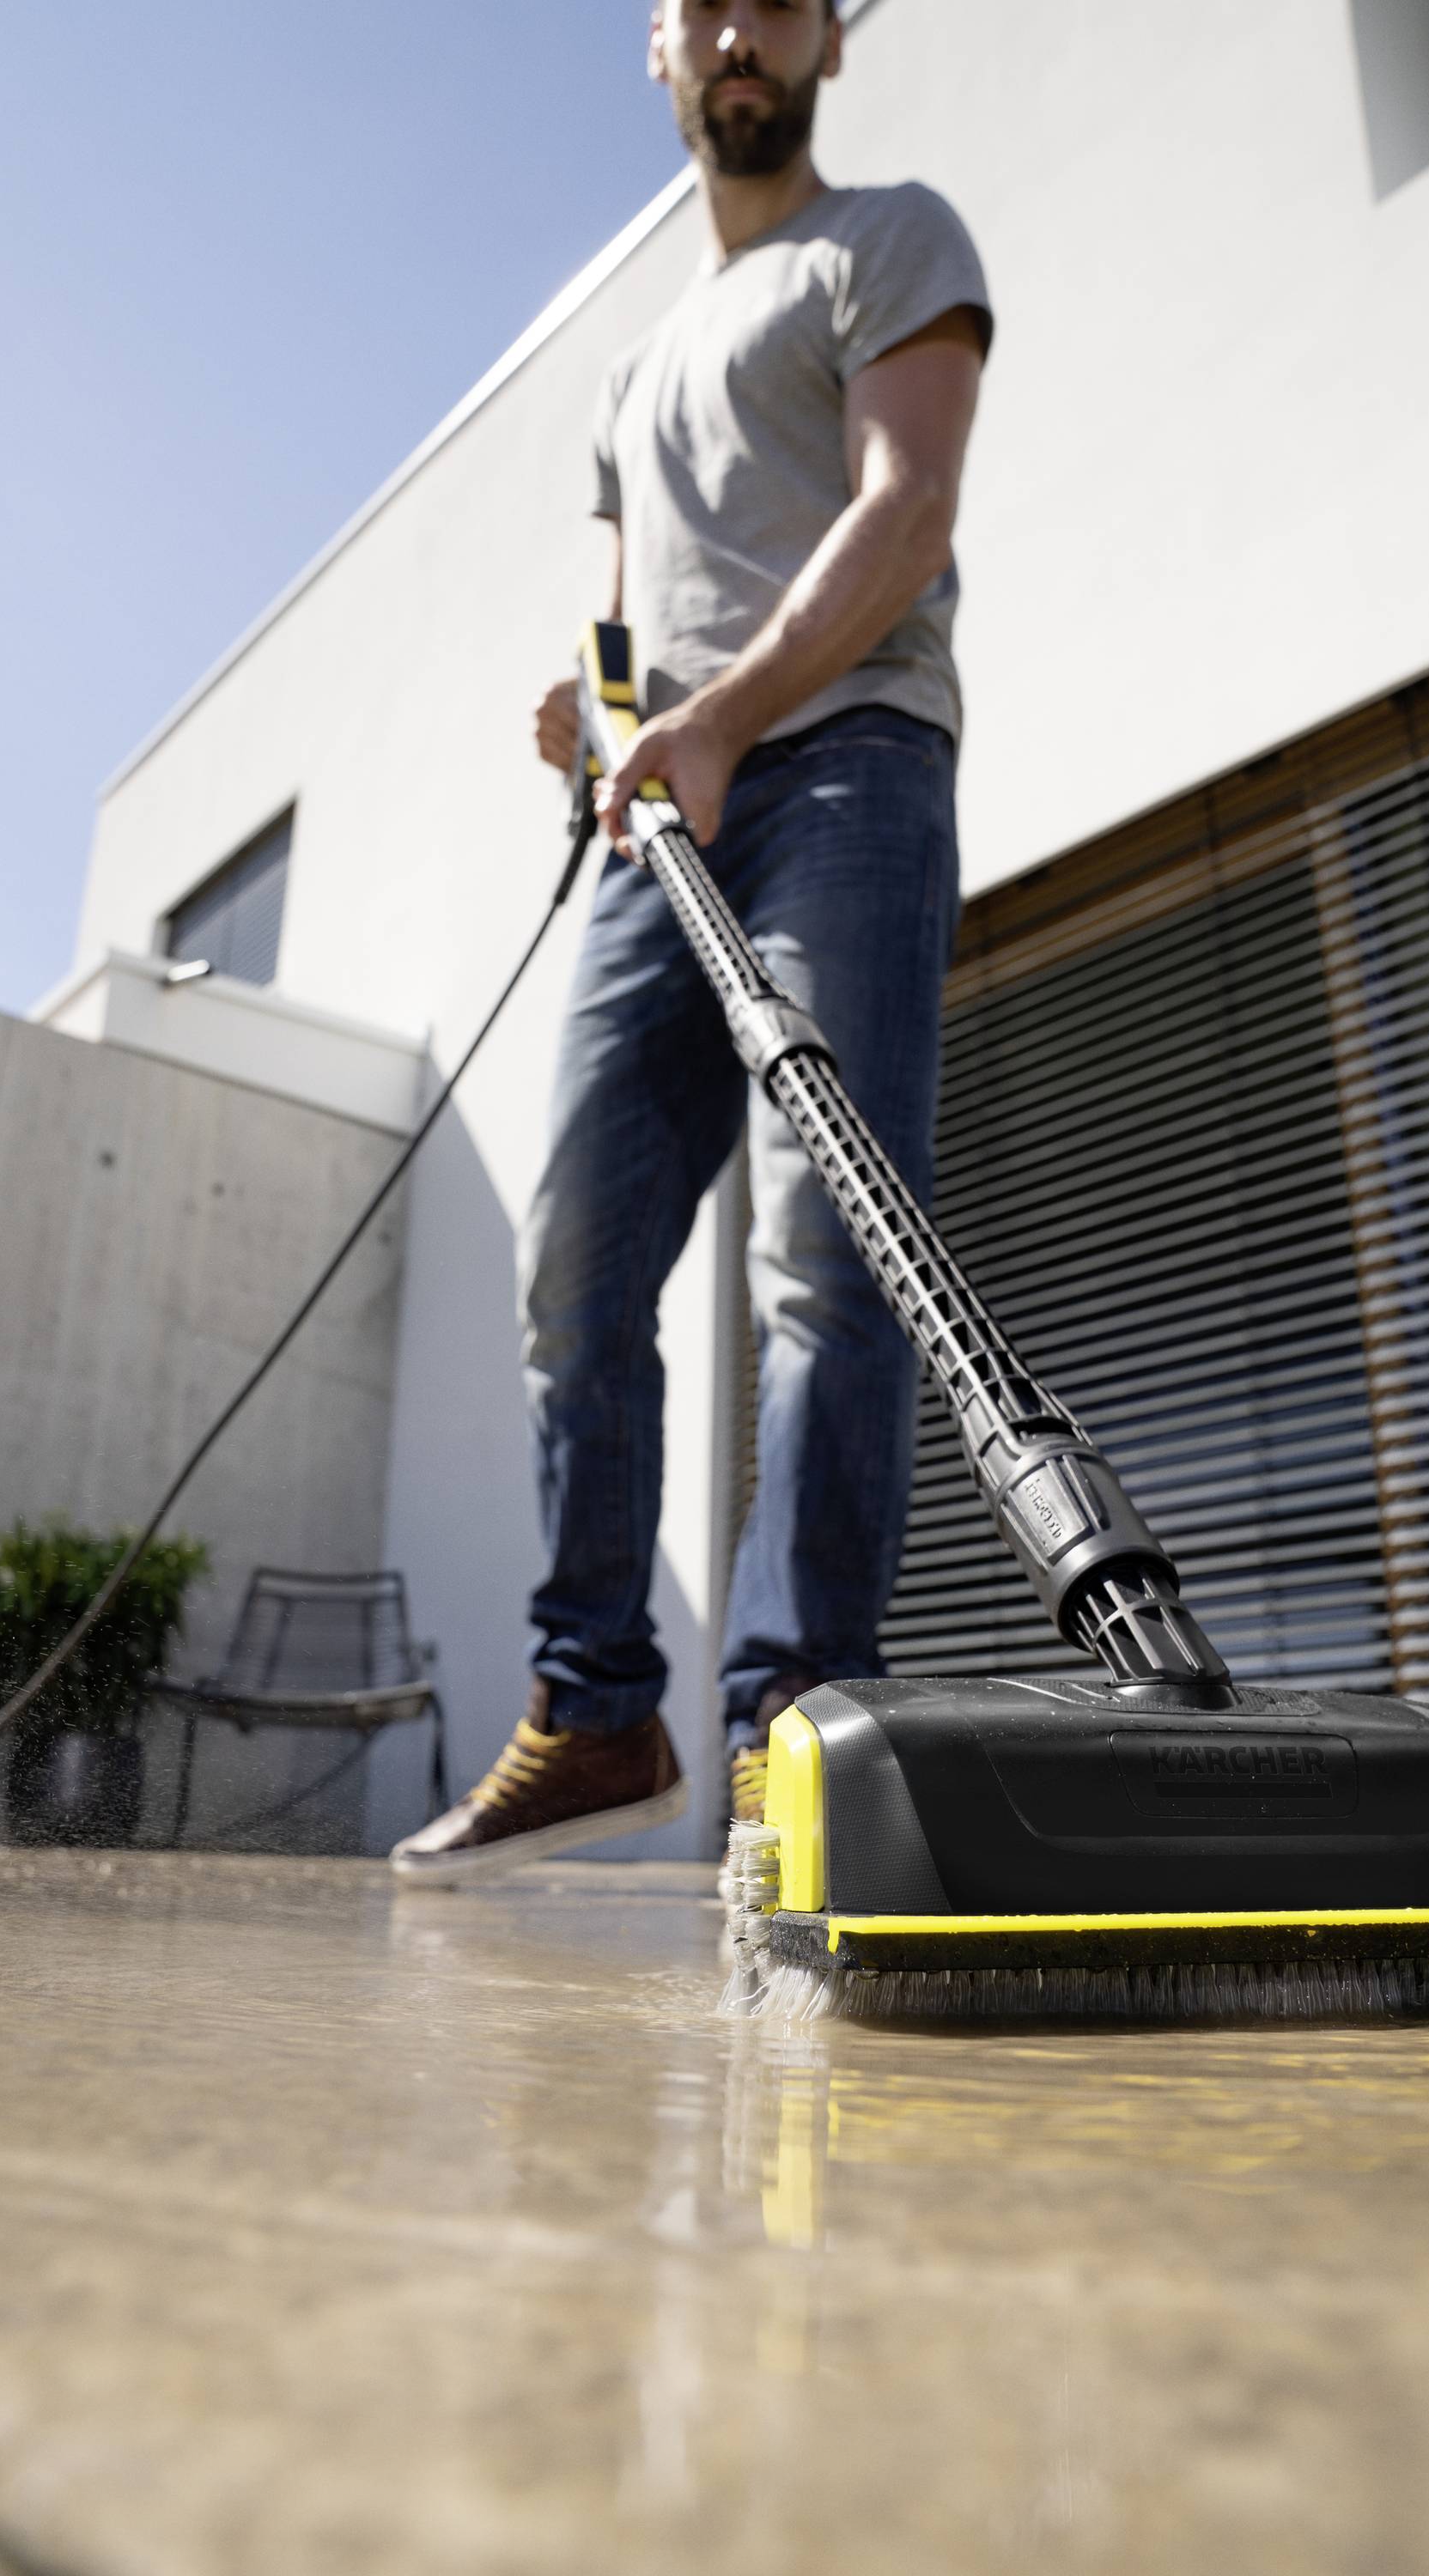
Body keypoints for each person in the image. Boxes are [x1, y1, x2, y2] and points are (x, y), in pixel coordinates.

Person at [392, 0, 991, 1881]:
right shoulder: (628, 369)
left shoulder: (888, 240)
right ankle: (591, 1711)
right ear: (653, 52)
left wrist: (721, 715)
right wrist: (597, 718)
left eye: (779, 1)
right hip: (662, 840)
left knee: (827, 1257)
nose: (740, 30)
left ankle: (785, 1746)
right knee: (573, 1273)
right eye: (702, 5)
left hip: (844, 777)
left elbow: (905, 512)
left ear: (827, 39)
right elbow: (622, 622)